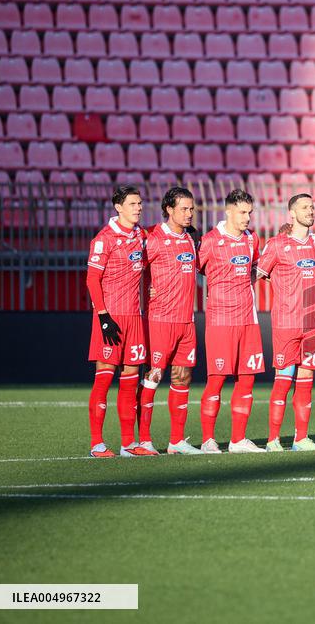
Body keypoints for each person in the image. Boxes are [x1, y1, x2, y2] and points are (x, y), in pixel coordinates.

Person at [257, 194, 315, 452]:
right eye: (304, 207)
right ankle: (273, 440)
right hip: (286, 322)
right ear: (291, 214)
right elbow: (260, 273)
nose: (310, 211)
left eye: (312, 206)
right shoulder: (276, 244)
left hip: (310, 323)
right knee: (283, 379)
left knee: (307, 377)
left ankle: (301, 439)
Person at [85, 184, 152, 457]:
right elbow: (91, 279)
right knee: (103, 379)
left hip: (134, 317)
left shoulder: (141, 235)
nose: (138, 208)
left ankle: (128, 444)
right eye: (133, 204)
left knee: (130, 379)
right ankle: (97, 443)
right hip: (110, 318)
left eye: (140, 203)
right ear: (118, 207)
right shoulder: (104, 238)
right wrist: (102, 316)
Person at [198, 189, 266, 454]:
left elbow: (257, 269)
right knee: (216, 379)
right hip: (220, 320)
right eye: (242, 212)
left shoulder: (252, 239)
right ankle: (207, 440)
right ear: (228, 211)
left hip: (248, 319)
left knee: (247, 379)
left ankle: (238, 440)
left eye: (249, 212)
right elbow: (196, 268)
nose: (247, 218)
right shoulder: (211, 240)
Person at [139, 187, 202, 455]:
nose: (189, 214)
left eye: (191, 209)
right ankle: (144, 440)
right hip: (161, 320)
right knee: (153, 377)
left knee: (182, 378)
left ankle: (176, 441)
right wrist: (147, 289)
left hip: (186, 322)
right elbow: (134, 268)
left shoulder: (191, 239)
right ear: (169, 209)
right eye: (184, 209)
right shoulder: (152, 237)